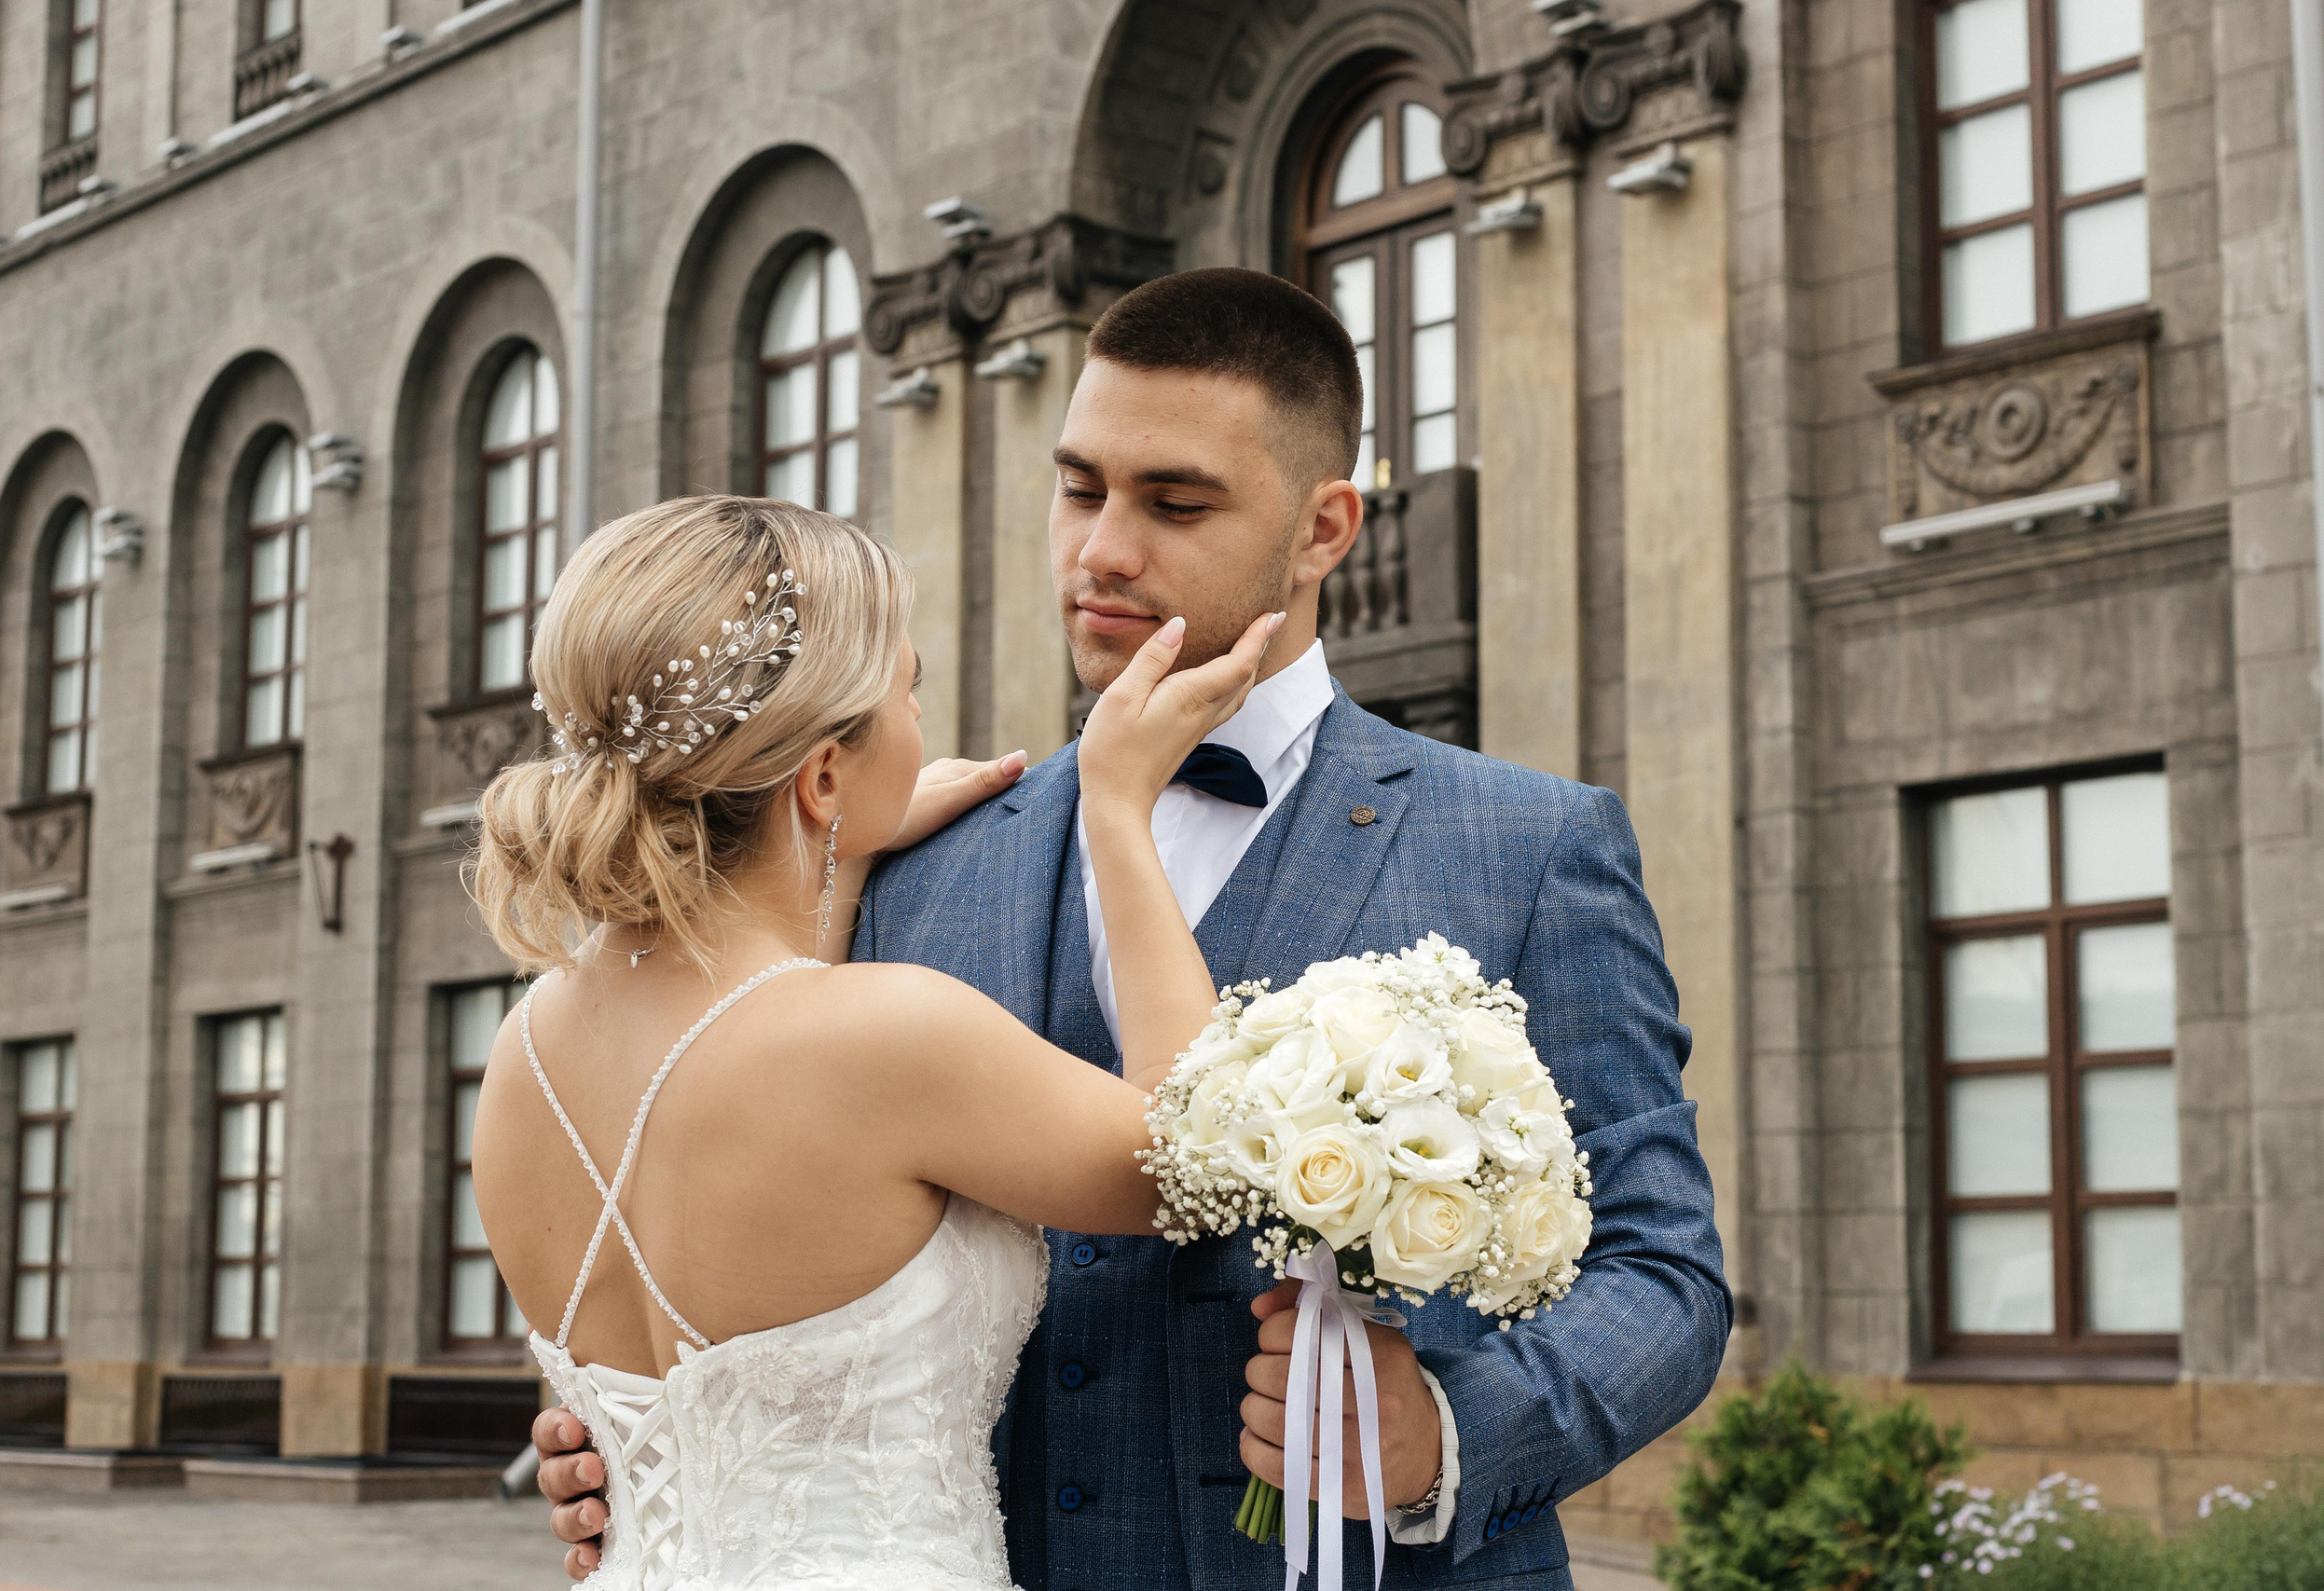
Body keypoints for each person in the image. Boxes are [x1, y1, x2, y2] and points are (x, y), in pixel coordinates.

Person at [533, 267, 1731, 1590]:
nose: (1101, 547)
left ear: (1323, 526)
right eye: (1078, 485)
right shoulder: (904, 862)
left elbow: (1662, 1271)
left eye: (1174, 502)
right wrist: (662, 1441)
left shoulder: (1529, 844)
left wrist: (1441, 1433)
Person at [470, 491, 1284, 1591]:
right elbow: (1196, 1149)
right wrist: (1117, 809)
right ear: (817, 775)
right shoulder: (883, 1030)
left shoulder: (521, 1059)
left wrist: (830, 849)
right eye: (909, 691)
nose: (920, 723)